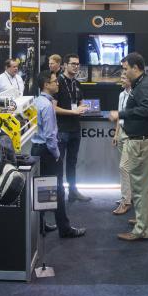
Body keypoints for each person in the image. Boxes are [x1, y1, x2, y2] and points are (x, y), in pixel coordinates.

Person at [108, 52, 148, 241]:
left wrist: (121, 114)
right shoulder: (143, 83)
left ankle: (142, 230)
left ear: (135, 68)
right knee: (146, 186)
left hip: (144, 142)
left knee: (140, 188)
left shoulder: (144, 86)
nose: (123, 73)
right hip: (146, 139)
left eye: (125, 69)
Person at [31, 70, 87, 239]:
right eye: (54, 81)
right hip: (47, 151)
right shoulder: (47, 106)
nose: (57, 83)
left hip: (37, 149)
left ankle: (41, 224)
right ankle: (65, 229)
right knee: (58, 189)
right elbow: (49, 136)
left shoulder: (37, 101)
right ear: (46, 85)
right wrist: (56, 154)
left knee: (42, 186)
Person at [53, 53, 91, 202]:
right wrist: (72, 112)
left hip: (75, 128)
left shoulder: (77, 83)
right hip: (61, 129)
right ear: (65, 65)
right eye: (73, 64)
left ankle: (73, 191)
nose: (76, 66)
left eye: (77, 64)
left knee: (72, 162)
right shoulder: (57, 83)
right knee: (59, 163)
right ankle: (59, 194)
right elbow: (53, 108)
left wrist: (83, 107)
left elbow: (81, 102)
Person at [111, 70, 132, 215]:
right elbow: (119, 115)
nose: (121, 80)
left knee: (124, 167)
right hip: (122, 133)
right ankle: (128, 196)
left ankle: (126, 201)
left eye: (124, 78)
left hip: (131, 133)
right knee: (127, 168)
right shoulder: (121, 94)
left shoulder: (135, 95)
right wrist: (116, 133)